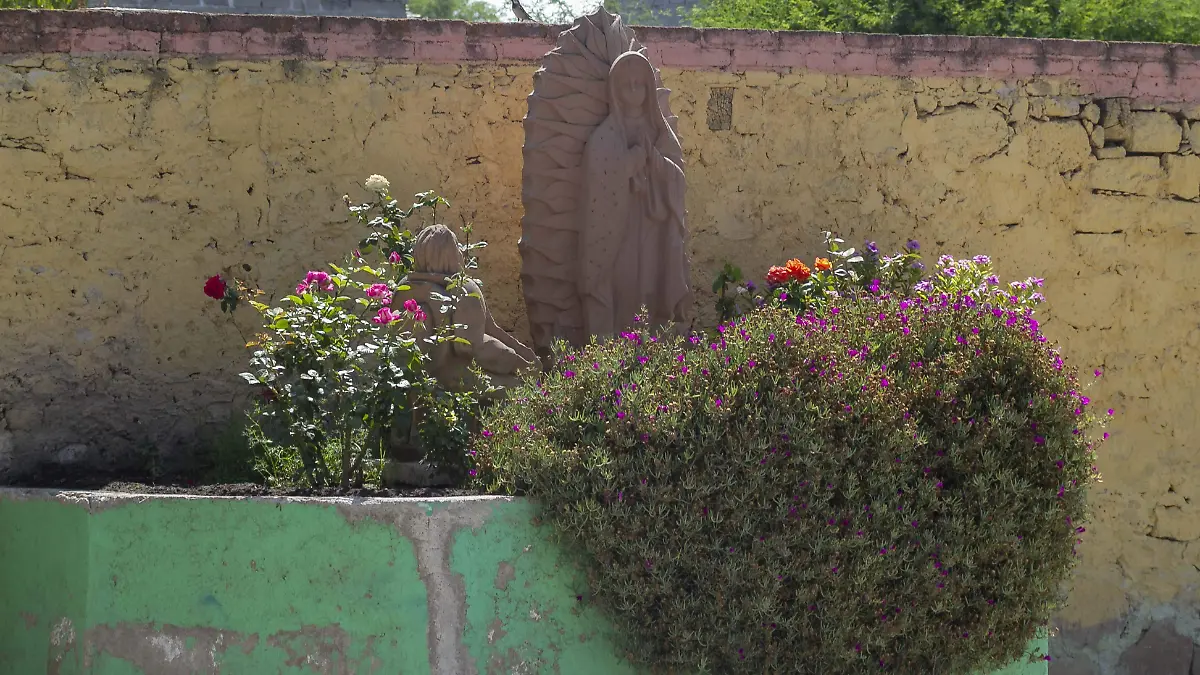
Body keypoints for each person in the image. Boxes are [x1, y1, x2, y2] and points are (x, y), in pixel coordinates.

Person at [578, 50, 693, 339]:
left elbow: (677, 176)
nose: (633, 91)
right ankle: (618, 347)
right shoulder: (606, 135)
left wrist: (655, 161)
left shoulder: (658, 130)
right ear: (615, 89)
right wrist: (629, 163)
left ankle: (651, 347)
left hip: (653, 223)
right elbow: (598, 175)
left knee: (651, 283)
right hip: (619, 226)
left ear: (648, 88)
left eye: (639, 84)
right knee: (625, 282)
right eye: (626, 85)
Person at [398, 224, 538, 391]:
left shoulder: (405, 288)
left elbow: (490, 328)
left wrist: (524, 353)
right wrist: (520, 364)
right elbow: (475, 347)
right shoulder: (464, 289)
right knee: (521, 389)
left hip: (412, 382)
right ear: (452, 254)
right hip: (455, 381)